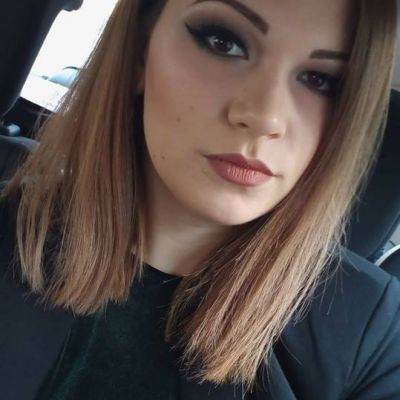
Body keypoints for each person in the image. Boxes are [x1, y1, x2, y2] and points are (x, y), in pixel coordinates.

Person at [0, 0, 399, 399]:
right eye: (223, 42)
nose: (265, 117)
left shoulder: (373, 338)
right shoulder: (11, 220)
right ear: (140, 50)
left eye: (321, 80)